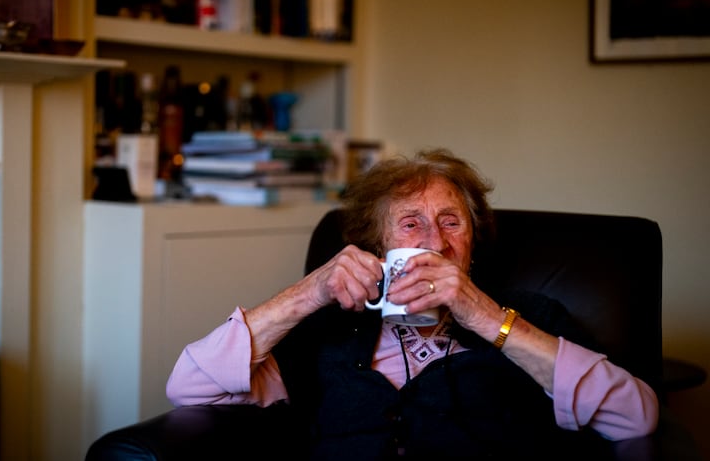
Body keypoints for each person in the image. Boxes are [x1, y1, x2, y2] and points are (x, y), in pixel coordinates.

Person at [166, 147, 659, 458]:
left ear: (471, 241)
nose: (435, 243)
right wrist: (310, 291)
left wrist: (486, 318)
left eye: (451, 222)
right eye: (410, 224)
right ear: (380, 249)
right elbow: (190, 387)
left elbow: (635, 417)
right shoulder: (331, 330)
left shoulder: (528, 317)